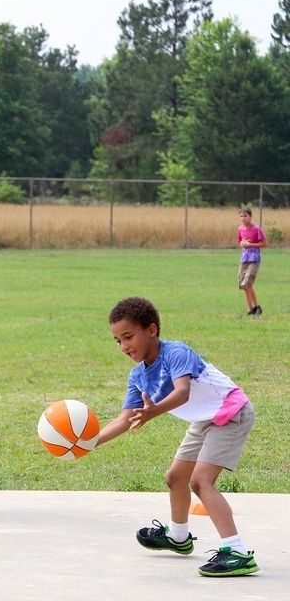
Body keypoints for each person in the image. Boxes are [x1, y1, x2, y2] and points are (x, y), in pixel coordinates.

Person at [98, 296, 258, 577]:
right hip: (204, 419)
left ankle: (237, 552)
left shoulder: (176, 353)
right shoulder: (138, 376)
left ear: (151, 330)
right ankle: (179, 537)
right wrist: (89, 442)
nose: (124, 346)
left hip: (231, 412)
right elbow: (125, 419)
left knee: (200, 480)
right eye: (118, 341)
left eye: (128, 337)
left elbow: (182, 391)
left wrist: (155, 410)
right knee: (176, 478)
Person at [236, 207, 266, 316]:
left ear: (251, 216)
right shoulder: (240, 229)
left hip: (254, 258)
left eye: (245, 216)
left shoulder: (256, 229)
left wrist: (251, 245)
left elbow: (264, 244)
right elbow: (240, 242)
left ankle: (257, 308)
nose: (243, 218)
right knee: (243, 285)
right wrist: (243, 243)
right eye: (241, 216)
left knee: (248, 282)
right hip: (244, 259)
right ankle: (250, 310)